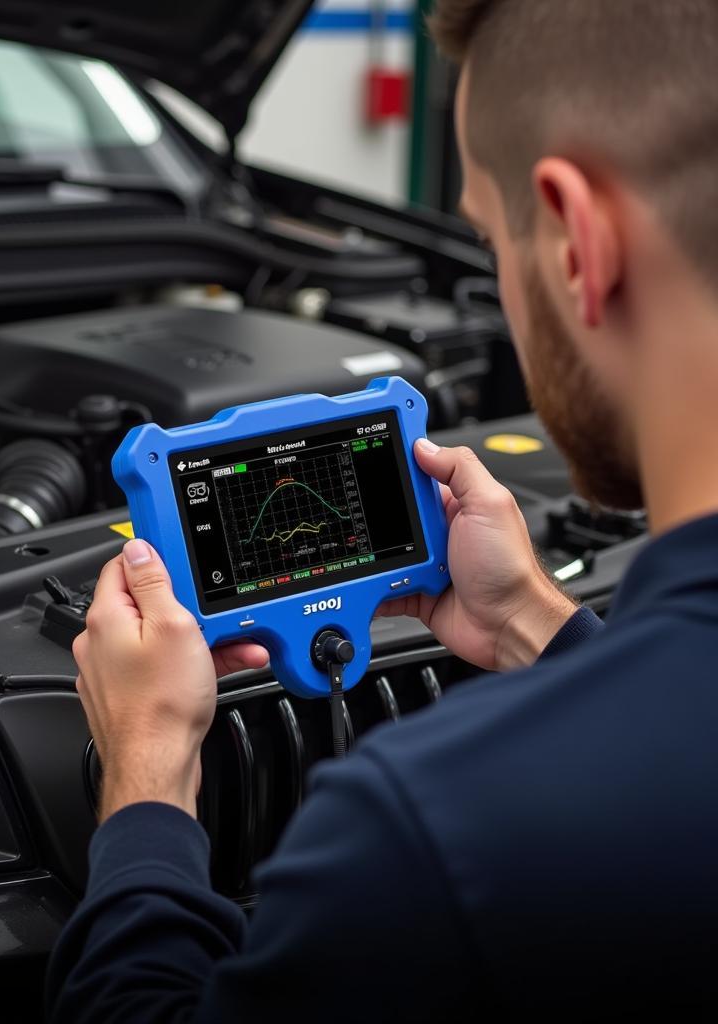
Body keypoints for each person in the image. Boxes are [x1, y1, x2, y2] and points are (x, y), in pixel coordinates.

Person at [46, 0, 718, 1019]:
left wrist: (145, 770)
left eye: (488, 237)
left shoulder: (439, 830)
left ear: (579, 241)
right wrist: (528, 619)